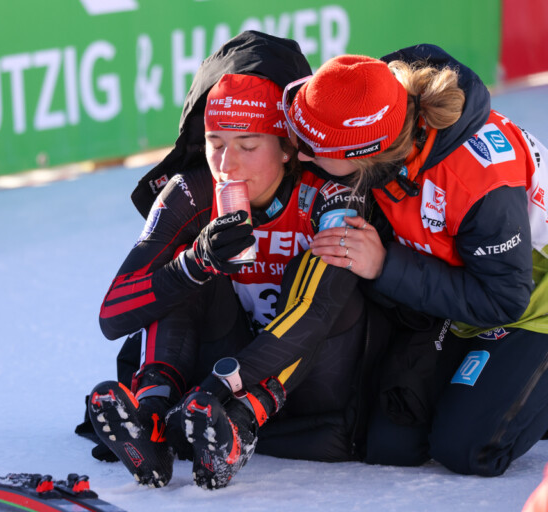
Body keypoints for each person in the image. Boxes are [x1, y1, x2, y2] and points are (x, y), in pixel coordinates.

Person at [81, 31, 390, 490]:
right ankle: (151, 420)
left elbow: (319, 312)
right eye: (215, 143)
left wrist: (219, 389)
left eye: (248, 146)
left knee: (324, 267)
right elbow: (113, 315)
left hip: (311, 375)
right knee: (183, 270)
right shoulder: (191, 189)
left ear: (287, 148)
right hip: (224, 368)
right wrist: (197, 261)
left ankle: (240, 425)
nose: (227, 163)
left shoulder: (328, 193)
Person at [285, 45, 548, 476]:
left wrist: (385, 266)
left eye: (311, 147)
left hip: (531, 300)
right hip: (460, 289)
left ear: (359, 155)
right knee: (394, 443)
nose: (299, 155)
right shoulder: (376, 104)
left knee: (466, 448)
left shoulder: (478, 181)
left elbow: (505, 299)